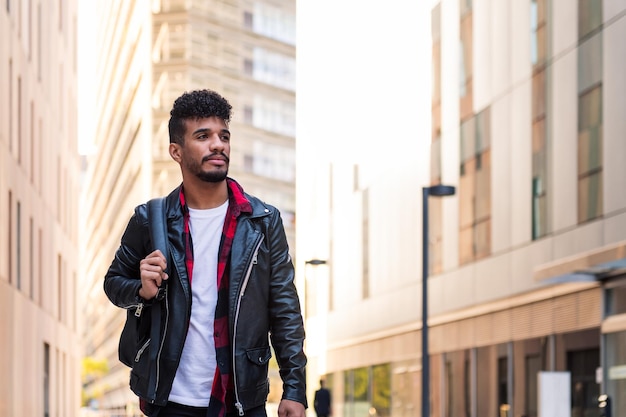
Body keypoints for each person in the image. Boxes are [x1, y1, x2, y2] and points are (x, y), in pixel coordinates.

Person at [104, 89, 307, 417]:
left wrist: (294, 388)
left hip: (242, 399)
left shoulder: (262, 222)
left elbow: (284, 309)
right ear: (176, 151)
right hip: (169, 400)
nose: (218, 144)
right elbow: (113, 283)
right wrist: (141, 289)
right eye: (203, 136)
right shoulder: (150, 220)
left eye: (223, 135)